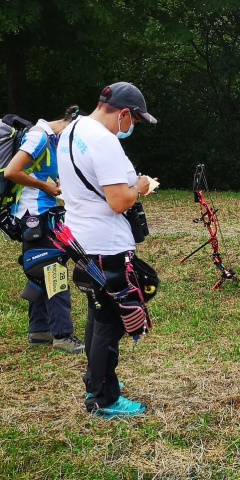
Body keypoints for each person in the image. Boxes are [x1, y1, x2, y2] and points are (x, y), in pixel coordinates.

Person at [57, 82, 157, 418]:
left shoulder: (74, 129)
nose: (133, 128)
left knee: (97, 314)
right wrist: (140, 186)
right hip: (106, 246)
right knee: (111, 321)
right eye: (135, 122)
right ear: (124, 113)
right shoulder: (104, 141)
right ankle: (102, 397)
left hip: (82, 238)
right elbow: (119, 200)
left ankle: (97, 377)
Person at [4, 106, 86, 354]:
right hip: (33, 215)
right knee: (54, 270)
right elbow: (12, 172)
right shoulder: (39, 136)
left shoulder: (52, 140)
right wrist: (46, 187)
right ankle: (62, 335)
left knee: (42, 269)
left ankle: (39, 331)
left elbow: (39, 172)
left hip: (42, 212)